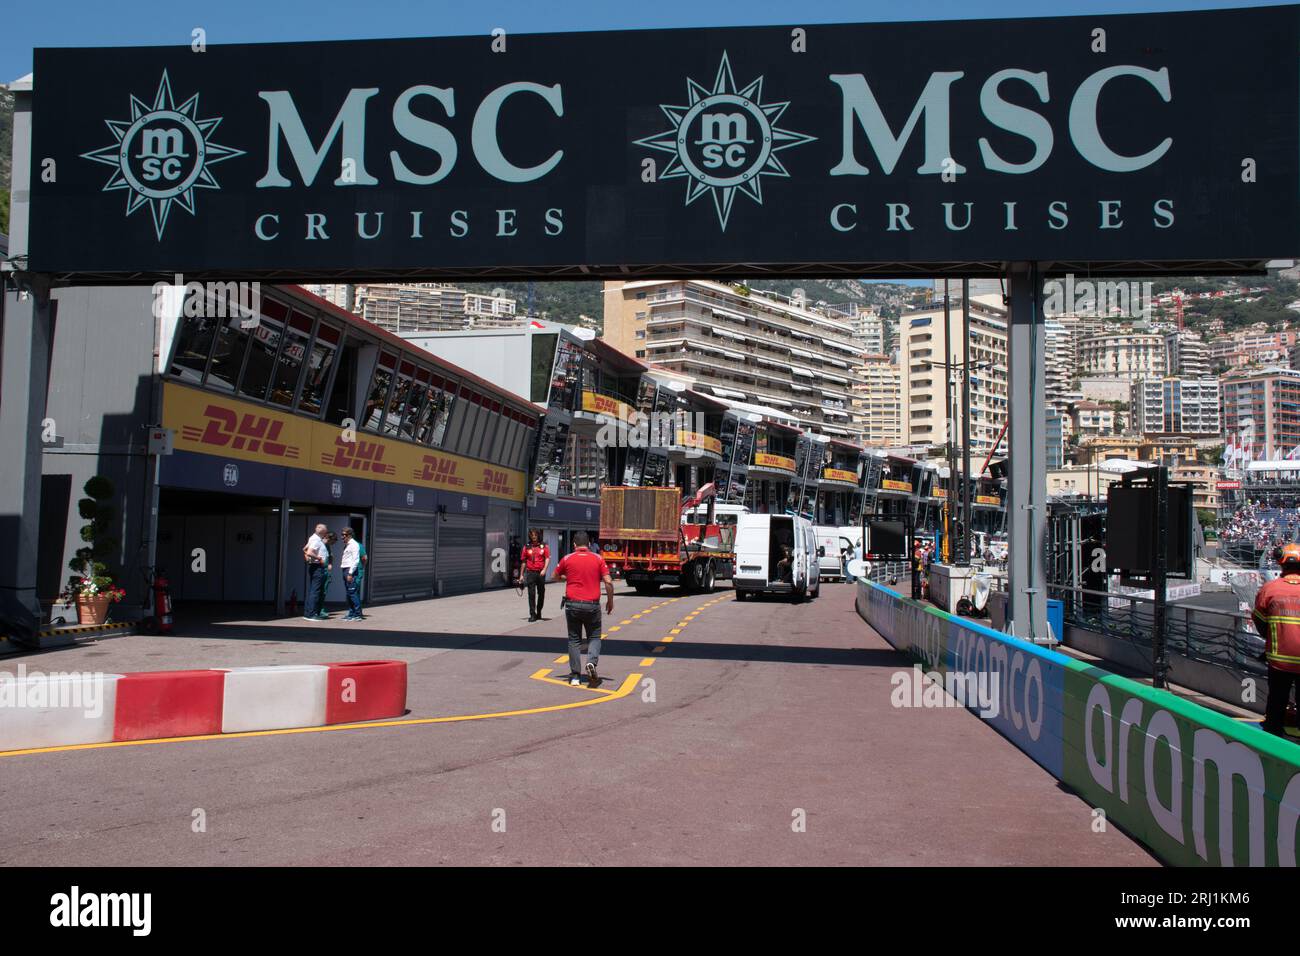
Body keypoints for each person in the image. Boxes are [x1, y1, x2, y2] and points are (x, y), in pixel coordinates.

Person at [553, 531, 614, 687]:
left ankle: (575, 676)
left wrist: (568, 577)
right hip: (592, 605)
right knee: (594, 637)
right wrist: (610, 600)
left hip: (572, 604)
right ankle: (591, 663)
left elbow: (555, 576)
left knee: (574, 640)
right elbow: (608, 581)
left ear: (574, 545)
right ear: (588, 544)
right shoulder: (598, 559)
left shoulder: (567, 558)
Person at [1252, 542, 1300, 740]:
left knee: (1277, 701)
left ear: (1281, 564)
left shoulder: (1270, 589)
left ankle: (1272, 739)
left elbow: (1260, 621)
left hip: (1279, 660)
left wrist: (1272, 640)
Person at [518, 529, 551, 622]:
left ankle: (539, 611)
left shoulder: (544, 546)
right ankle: (532, 614)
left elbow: (547, 558)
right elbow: (523, 562)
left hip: (540, 573)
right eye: (532, 535)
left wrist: (545, 569)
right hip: (530, 573)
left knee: (541, 593)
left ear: (538, 535)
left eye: (535, 535)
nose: (534, 537)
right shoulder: (526, 547)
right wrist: (521, 575)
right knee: (531, 594)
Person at [302, 523, 330, 621]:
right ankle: (311, 614)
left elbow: (304, 549)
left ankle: (308, 612)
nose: (326, 533)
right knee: (315, 591)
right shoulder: (316, 540)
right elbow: (309, 552)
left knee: (313, 590)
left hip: (315, 566)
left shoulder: (313, 538)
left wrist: (308, 559)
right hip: (318, 567)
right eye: (326, 531)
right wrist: (319, 558)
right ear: (323, 532)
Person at [340, 527, 365, 622]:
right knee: (349, 593)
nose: (342, 537)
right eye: (342, 535)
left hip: (350, 570)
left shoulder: (354, 545)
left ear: (349, 535)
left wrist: (350, 573)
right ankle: (351, 613)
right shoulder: (347, 545)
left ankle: (358, 614)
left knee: (353, 593)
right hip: (345, 569)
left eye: (344, 535)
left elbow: (355, 560)